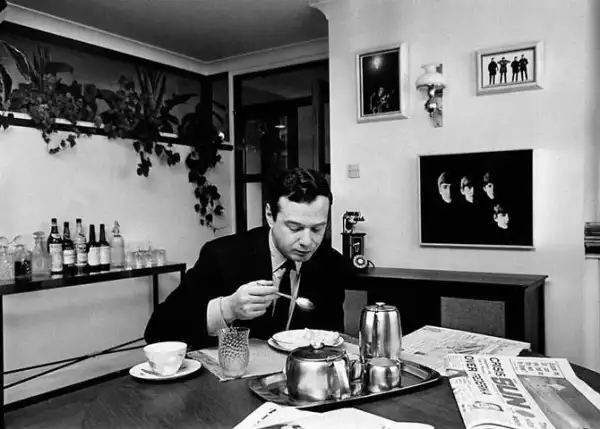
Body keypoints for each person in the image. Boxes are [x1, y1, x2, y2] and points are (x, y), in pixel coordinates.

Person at [144, 167, 353, 349]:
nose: (307, 242)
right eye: (294, 227)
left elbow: (331, 339)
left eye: (317, 229)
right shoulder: (223, 256)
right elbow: (158, 331)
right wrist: (227, 309)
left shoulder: (330, 264)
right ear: (270, 215)